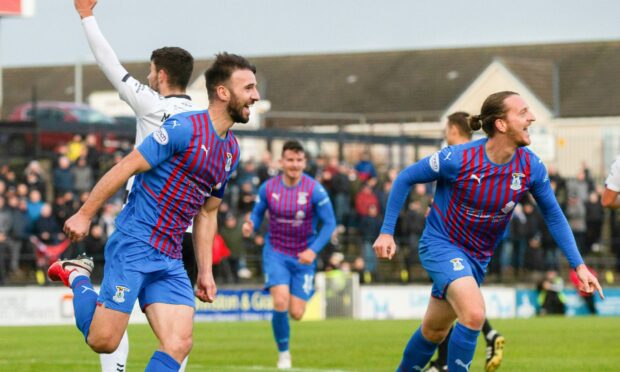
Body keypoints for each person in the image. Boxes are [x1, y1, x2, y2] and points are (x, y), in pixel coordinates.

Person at [47, 52, 259, 372]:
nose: (255, 96)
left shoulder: (230, 149)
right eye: (249, 88)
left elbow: (207, 212)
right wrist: (85, 214)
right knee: (103, 341)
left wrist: (205, 271)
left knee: (179, 343)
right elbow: (126, 167)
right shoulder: (183, 129)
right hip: (136, 242)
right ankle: (77, 275)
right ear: (223, 92)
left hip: (170, 255)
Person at [373, 91, 604, 372]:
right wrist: (387, 232)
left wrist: (579, 265)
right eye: (522, 112)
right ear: (501, 124)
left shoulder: (530, 166)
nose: (531, 117)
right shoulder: (457, 158)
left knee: (434, 331)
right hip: (441, 244)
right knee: (473, 314)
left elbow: (554, 215)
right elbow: (405, 177)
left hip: (477, 258)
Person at [74, 0, 199, 370]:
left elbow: (108, 62)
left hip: (172, 239)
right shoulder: (203, 122)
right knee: (114, 329)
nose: (147, 76)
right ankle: (79, 278)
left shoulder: (150, 104)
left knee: (176, 338)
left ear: (160, 74)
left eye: (150, 71)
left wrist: (86, 17)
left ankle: (80, 279)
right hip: (157, 231)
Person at [242, 140, 337, 369]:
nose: (294, 164)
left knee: (297, 313)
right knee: (280, 301)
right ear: (281, 162)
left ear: (304, 162)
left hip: (303, 256)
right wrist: (250, 224)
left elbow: (330, 223)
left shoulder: (315, 189)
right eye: (290, 160)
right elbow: (257, 213)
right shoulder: (268, 188)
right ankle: (284, 354)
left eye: (298, 160)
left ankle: (300, 294)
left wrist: (313, 251)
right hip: (276, 252)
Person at [425, 112, 506, 372]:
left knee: (455, 301)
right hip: (478, 241)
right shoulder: (480, 152)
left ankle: (444, 363)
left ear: (452, 128)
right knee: (457, 302)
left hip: (453, 241)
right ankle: (449, 358)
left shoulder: (455, 155)